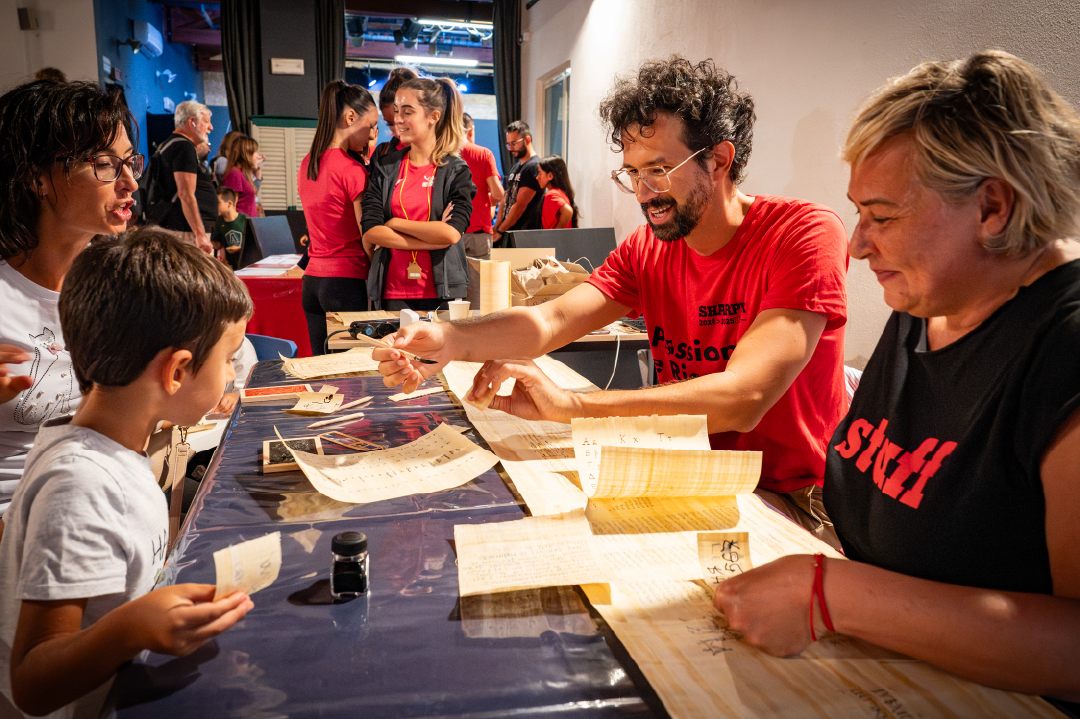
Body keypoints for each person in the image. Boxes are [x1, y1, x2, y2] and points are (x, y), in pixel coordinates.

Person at [713, 50, 1080, 705]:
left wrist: (834, 596)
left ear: (993, 206)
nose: (857, 244)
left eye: (881, 216)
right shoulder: (929, 297)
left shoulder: (1063, 345)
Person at [374, 57, 848, 542]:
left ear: (720, 160)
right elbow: (551, 319)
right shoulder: (650, 248)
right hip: (693, 473)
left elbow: (744, 397)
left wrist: (572, 407)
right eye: (632, 173)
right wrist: (450, 337)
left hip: (790, 495)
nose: (644, 193)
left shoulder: (802, 234)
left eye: (660, 170)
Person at [0, 228, 254, 718]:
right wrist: (134, 628)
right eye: (227, 359)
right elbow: (33, 680)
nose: (229, 376)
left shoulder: (105, 449)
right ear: (177, 371)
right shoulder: (81, 484)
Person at [0, 80, 141, 516]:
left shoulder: (116, 280)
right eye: (105, 164)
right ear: (36, 179)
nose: (129, 182)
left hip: (111, 503)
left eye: (130, 162)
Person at [361, 77, 476, 313]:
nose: (398, 119)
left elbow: (451, 233)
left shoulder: (455, 171)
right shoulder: (385, 167)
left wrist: (394, 223)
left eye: (407, 111)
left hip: (442, 293)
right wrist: (433, 241)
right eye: (396, 111)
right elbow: (372, 229)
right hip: (392, 292)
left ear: (433, 116)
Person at [297, 80, 380, 354]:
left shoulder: (308, 162)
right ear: (350, 117)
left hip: (312, 283)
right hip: (345, 282)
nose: (371, 136)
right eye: (370, 126)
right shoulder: (351, 170)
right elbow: (367, 234)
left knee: (323, 374)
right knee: (350, 380)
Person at [144, 100, 215, 252]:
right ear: (192, 122)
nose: (211, 127)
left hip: (179, 230)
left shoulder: (170, 145)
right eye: (207, 122)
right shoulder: (184, 147)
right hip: (185, 233)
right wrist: (200, 234)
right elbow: (185, 194)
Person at [459, 112, 504, 262]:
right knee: (479, 283)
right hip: (479, 229)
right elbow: (498, 193)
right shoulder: (484, 154)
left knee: (451, 283)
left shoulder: (442, 155)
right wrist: (488, 204)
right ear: (471, 130)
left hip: (450, 230)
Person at [493, 120, 542, 245]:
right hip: (509, 232)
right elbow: (506, 199)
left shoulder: (534, 166)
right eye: (508, 144)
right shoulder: (516, 167)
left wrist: (500, 230)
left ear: (527, 140)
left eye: (514, 143)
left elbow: (520, 205)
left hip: (525, 235)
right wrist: (497, 227)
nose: (511, 148)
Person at [372, 67, 418, 162]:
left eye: (402, 122)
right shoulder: (382, 154)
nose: (397, 132)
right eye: (390, 124)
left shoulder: (442, 158)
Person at [221, 134, 259, 217]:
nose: (257, 156)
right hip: (241, 227)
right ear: (245, 155)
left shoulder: (243, 173)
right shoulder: (235, 174)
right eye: (253, 152)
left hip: (248, 224)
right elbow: (230, 206)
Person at [537, 154, 579, 229]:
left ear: (550, 176)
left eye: (540, 173)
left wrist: (556, 233)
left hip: (554, 240)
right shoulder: (561, 193)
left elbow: (568, 212)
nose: (537, 177)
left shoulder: (551, 194)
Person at [212, 186, 247, 270]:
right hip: (230, 266)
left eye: (218, 203)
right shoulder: (219, 224)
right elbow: (217, 244)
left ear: (229, 204)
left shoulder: (245, 220)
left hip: (246, 263)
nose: (215, 206)